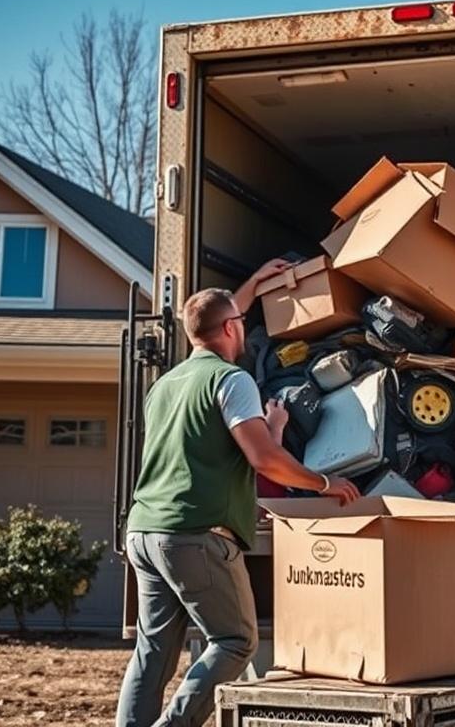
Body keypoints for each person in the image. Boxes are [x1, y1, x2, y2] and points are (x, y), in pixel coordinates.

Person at [117, 259, 360, 727]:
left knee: (153, 651)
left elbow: (198, 454)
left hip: (145, 531)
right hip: (195, 535)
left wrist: (251, 283)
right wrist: (325, 484)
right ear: (230, 328)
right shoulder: (232, 380)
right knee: (234, 641)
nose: (244, 329)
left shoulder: (165, 384)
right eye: (241, 323)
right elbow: (264, 460)